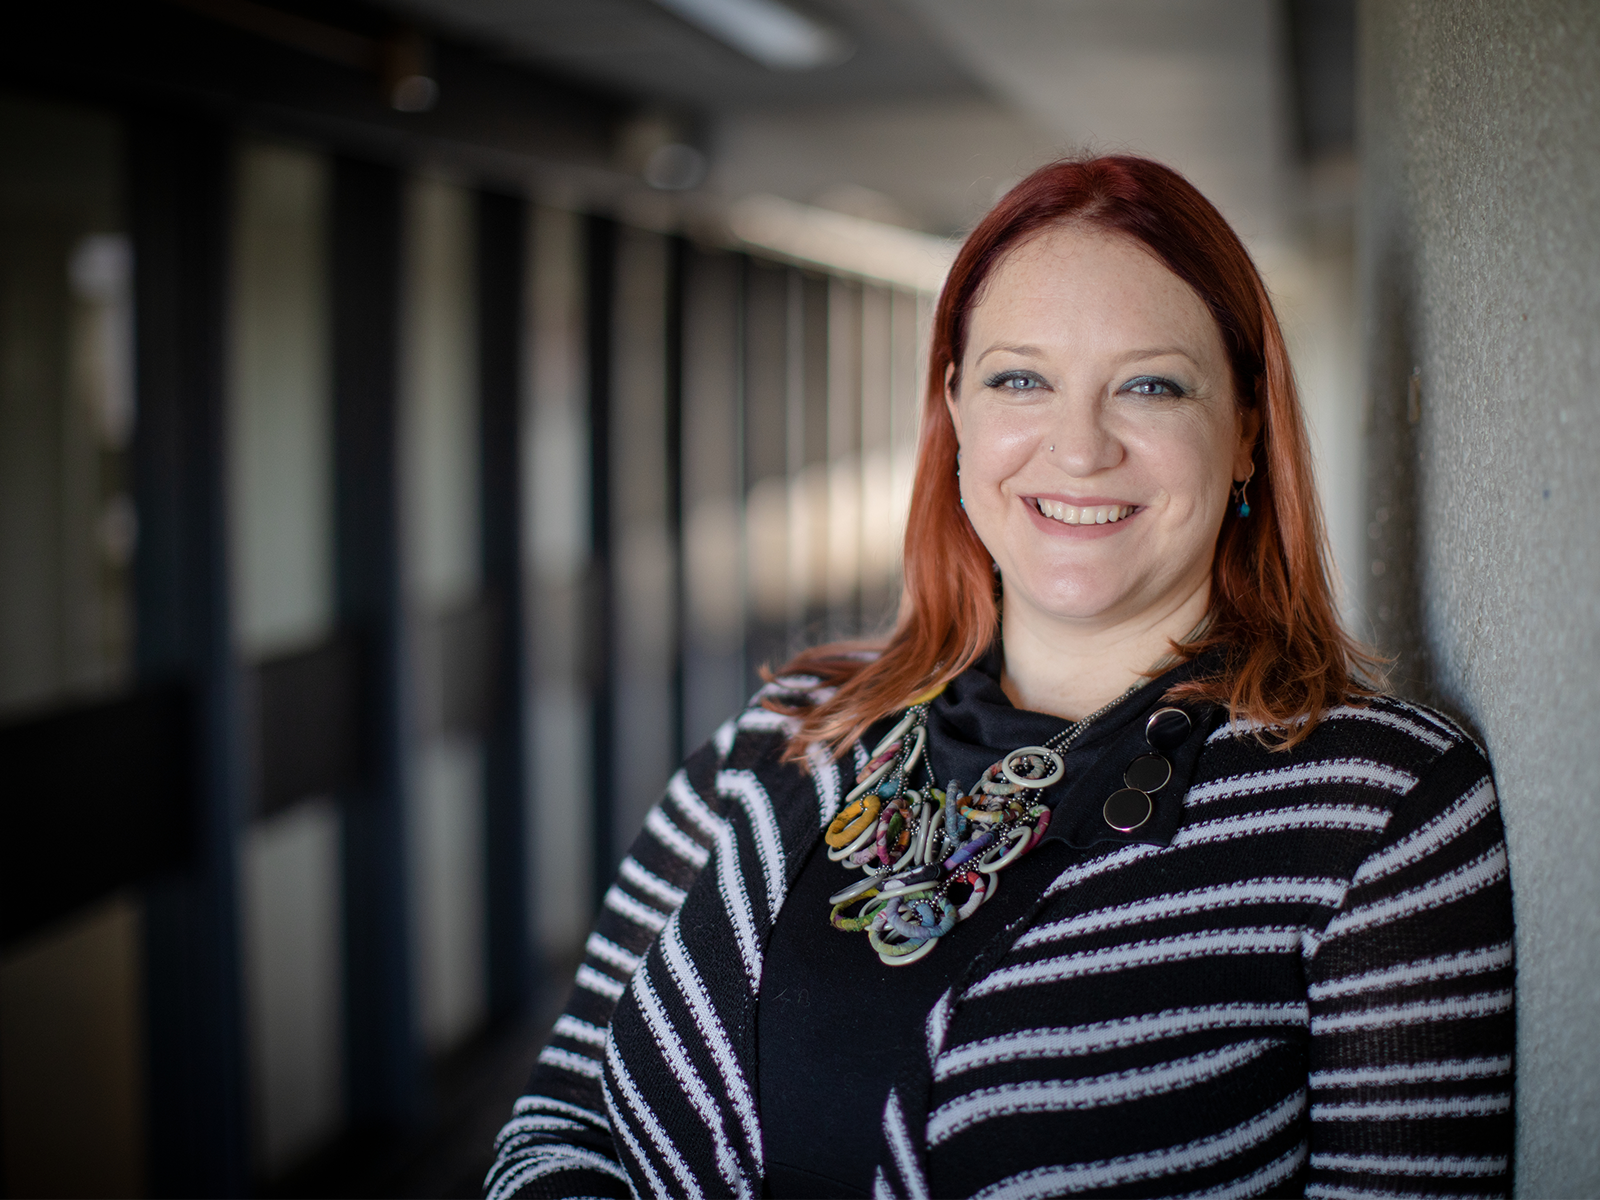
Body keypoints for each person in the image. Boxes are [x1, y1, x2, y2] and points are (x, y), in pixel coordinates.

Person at [484, 156, 1514, 1200]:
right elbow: (560, 1123)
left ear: (1245, 428)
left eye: (1150, 385)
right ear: (956, 414)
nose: (1077, 448)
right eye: (1020, 378)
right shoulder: (790, 728)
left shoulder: (1380, 808)